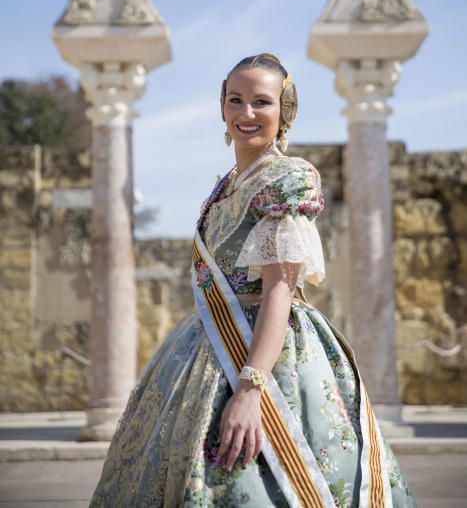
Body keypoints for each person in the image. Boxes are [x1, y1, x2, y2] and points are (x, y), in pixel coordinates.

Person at [89, 53, 417, 507]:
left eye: (261, 102)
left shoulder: (290, 178)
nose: (246, 113)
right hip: (206, 347)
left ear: (285, 110)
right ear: (222, 106)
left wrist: (249, 390)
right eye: (235, 100)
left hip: (270, 354)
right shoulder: (224, 186)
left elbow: (279, 290)